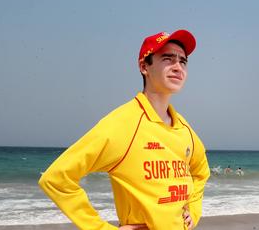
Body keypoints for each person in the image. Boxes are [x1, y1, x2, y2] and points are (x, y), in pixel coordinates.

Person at [38, 30, 210, 230]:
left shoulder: (183, 128)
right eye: (167, 59)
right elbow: (57, 179)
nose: (177, 67)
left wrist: (194, 210)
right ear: (144, 66)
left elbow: (201, 172)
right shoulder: (123, 124)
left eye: (183, 61)